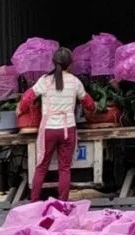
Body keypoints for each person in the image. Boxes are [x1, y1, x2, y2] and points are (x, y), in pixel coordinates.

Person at [29, 47, 96, 202]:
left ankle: (33, 202)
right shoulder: (75, 81)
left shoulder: (44, 80)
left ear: (53, 62)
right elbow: (88, 102)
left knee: (41, 167)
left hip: (49, 131)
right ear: (70, 64)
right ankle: (63, 202)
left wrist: (20, 108)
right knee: (64, 168)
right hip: (68, 130)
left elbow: (29, 97)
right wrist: (94, 108)